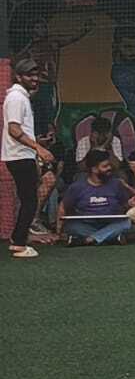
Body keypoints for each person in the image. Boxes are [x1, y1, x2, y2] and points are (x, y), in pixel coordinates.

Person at [5, 58, 55, 258]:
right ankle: (19, 244)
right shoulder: (17, 98)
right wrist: (38, 148)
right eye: (29, 75)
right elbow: (14, 130)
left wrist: (37, 144)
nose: (34, 78)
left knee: (28, 199)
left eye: (36, 74)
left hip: (22, 154)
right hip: (19, 156)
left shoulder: (20, 97)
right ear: (18, 77)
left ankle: (19, 238)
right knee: (29, 201)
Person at [59, 150, 135, 246]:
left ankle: (89, 239)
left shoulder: (116, 184)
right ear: (94, 169)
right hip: (86, 225)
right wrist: (58, 232)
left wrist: (130, 204)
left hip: (111, 224)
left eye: (109, 165)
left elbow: (124, 205)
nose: (109, 168)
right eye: (105, 166)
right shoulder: (77, 187)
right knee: (71, 226)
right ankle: (109, 238)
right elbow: (63, 207)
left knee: (126, 223)